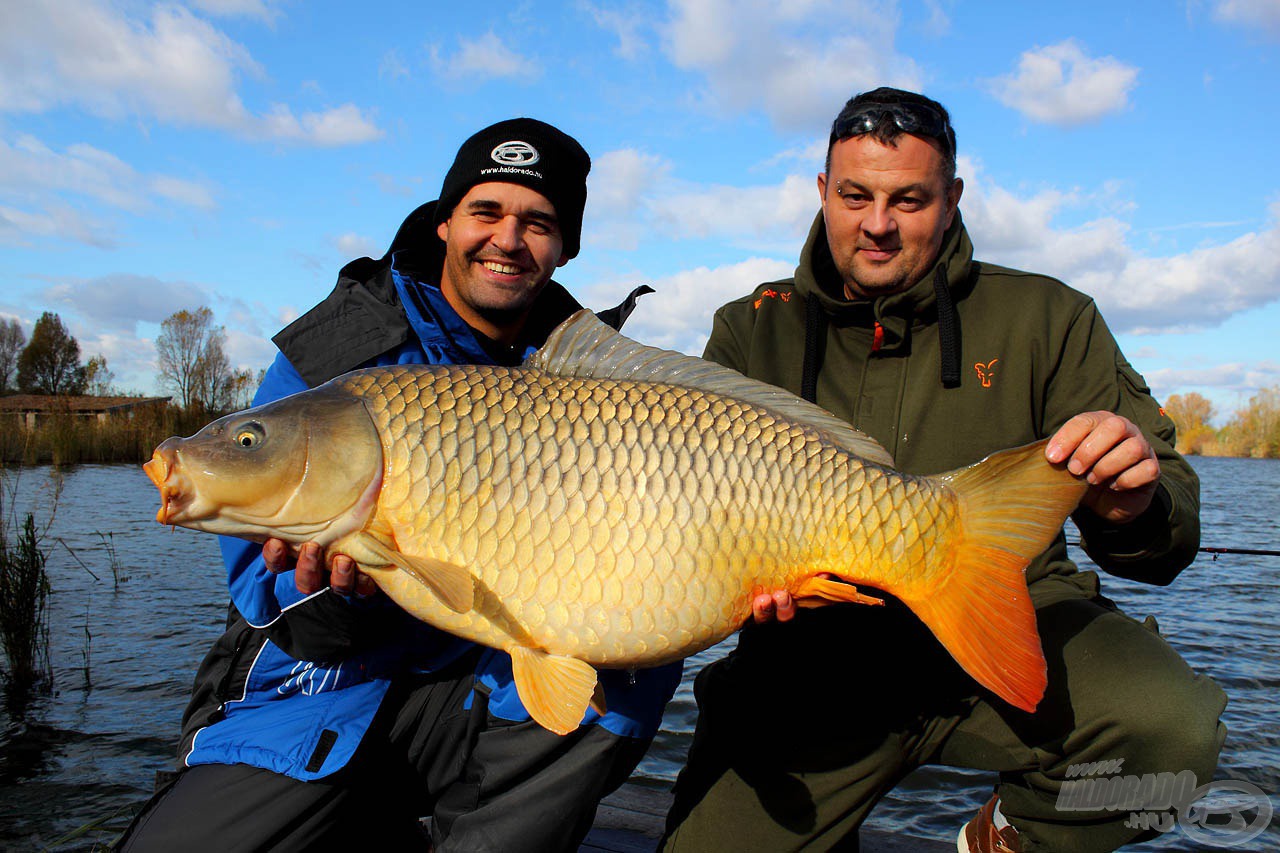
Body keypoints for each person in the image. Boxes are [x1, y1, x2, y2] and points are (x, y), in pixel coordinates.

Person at [661, 88, 1227, 853]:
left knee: (1172, 742)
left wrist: (1130, 507)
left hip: (1007, 629)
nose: (878, 224)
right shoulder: (750, 326)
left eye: (910, 199)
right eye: (855, 195)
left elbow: (1170, 535)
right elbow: (688, 518)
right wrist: (726, 581)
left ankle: (1003, 836)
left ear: (952, 198)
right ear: (822, 190)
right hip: (811, 664)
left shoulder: (1050, 317)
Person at [120, 118, 681, 852]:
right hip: (314, 694)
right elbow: (262, 601)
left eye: (538, 222)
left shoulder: (588, 374)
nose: (508, 239)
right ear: (445, 222)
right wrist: (332, 596)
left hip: (483, 696)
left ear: (565, 246)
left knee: (634, 661)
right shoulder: (334, 359)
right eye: (486, 212)